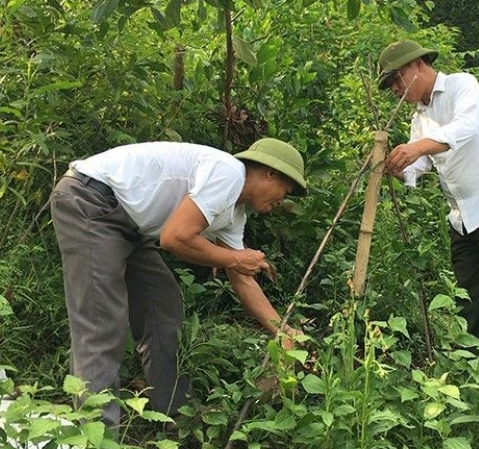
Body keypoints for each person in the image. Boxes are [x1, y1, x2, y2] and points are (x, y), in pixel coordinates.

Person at [50, 138, 307, 428]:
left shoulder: (234, 213)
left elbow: (242, 280)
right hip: (91, 201)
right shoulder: (229, 173)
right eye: (284, 190)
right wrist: (234, 260)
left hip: (128, 223)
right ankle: (96, 439)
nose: (282, 201)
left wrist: (282, 331)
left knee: (162, 303)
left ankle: (175, 416)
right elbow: (174, 238)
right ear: (269, 173)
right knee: (101, 321)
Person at [377, 39, 479, 389]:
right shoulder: (419, 117)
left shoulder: (462, 85)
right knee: (471, 299)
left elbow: (462, 130)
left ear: (418, 65)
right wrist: (396, 166)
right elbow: (418, 165)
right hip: (463, 218)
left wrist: (416, 148)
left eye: (396, 79)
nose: (394, 89)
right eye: (389, 84)